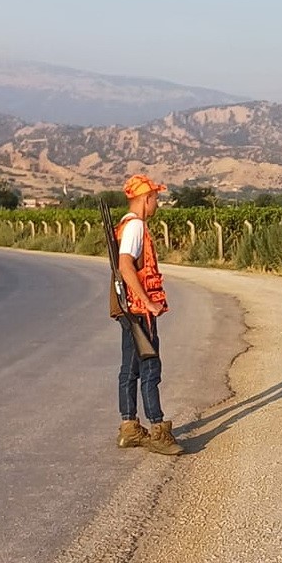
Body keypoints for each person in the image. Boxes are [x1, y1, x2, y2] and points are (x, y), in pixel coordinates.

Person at [113, 174, 183, 455]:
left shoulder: (127, 224)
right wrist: (147, 302)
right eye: (155, 198)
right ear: (145, 199)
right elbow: (126, 266)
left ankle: (129, 428)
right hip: (139, 311)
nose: (157, 203)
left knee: (130, 371)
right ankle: (158, 430)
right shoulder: (136, 227)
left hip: (132, 309)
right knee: (150, 369)